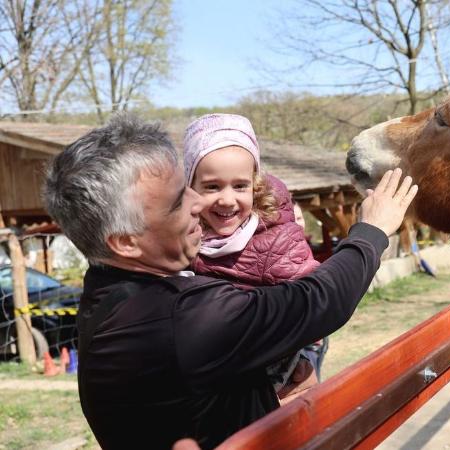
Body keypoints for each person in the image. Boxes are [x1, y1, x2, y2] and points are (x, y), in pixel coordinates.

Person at [43, 114, 417, 449]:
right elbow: (318, 301)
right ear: (125, 241)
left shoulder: (106, 290)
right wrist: (371, 231)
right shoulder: (181, 318)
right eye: (176, 202)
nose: (196, 204)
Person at [182, 113, 323, 401]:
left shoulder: (273, 236)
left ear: (255, 185)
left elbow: (313, 295)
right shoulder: (183, 233)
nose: (227, 199)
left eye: (240, 186)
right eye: (212, 186)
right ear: (190, 186)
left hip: (274, 363)